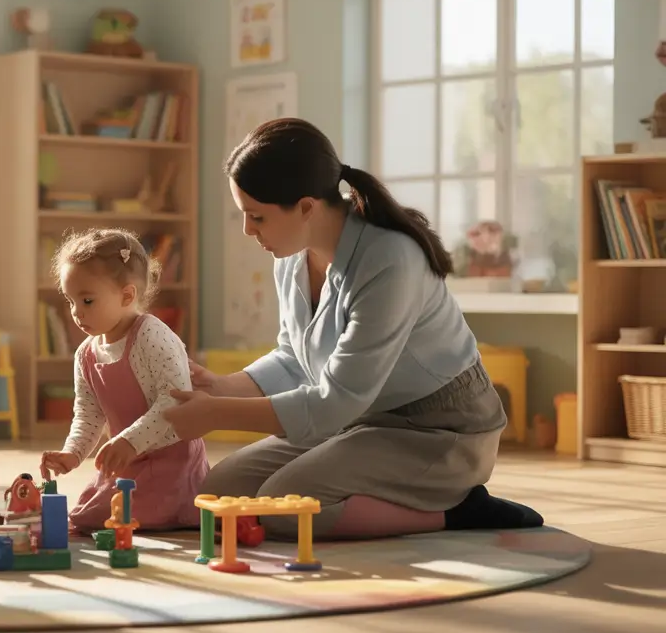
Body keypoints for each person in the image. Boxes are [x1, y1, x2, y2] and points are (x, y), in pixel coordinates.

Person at [163, 118, 543, 540]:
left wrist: (216, 413)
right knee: (219, 494)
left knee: (288, 509)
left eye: (256, 217)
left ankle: (461, 512)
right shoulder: (291, 256)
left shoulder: (390, 259)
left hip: (439, 431)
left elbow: (335, 400)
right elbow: (294, 357)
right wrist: (219, 386)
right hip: (357, 421)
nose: (248, 231)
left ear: (306, 207)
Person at [39, 228, 209, 532]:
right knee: (86, 515)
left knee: (116, 516)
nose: (76, 312)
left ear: (127, 295)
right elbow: (88, 413)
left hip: (171, 461)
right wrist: (72, 452)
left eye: (87, 301)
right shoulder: (86, 354)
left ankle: (179, 505)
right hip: (126, 462)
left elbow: (175, 401)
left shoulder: (154, 338)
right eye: (70, 301)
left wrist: (130, 441)